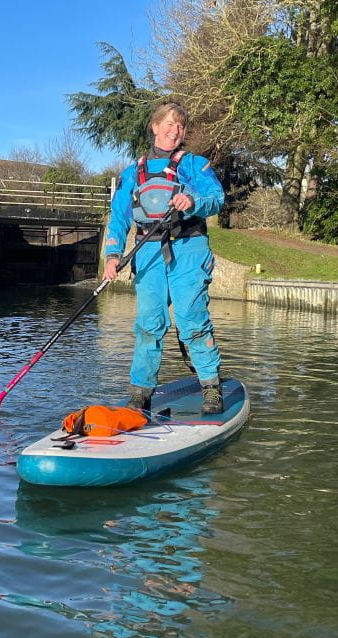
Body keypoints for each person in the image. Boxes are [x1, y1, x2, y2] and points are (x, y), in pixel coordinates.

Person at [103, 102, 225, 414]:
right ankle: (140, 394)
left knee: (191, 319)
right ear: (155, 127)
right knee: (149, 324)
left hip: (189, 249)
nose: (175, 130)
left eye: (180, 126)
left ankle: (211, 387)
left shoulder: (195, 165)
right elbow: (118, 218)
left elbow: (216, 199)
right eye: (169, 123)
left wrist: (193, 200)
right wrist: (112, 256)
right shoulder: (133, 173)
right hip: (148, 253)